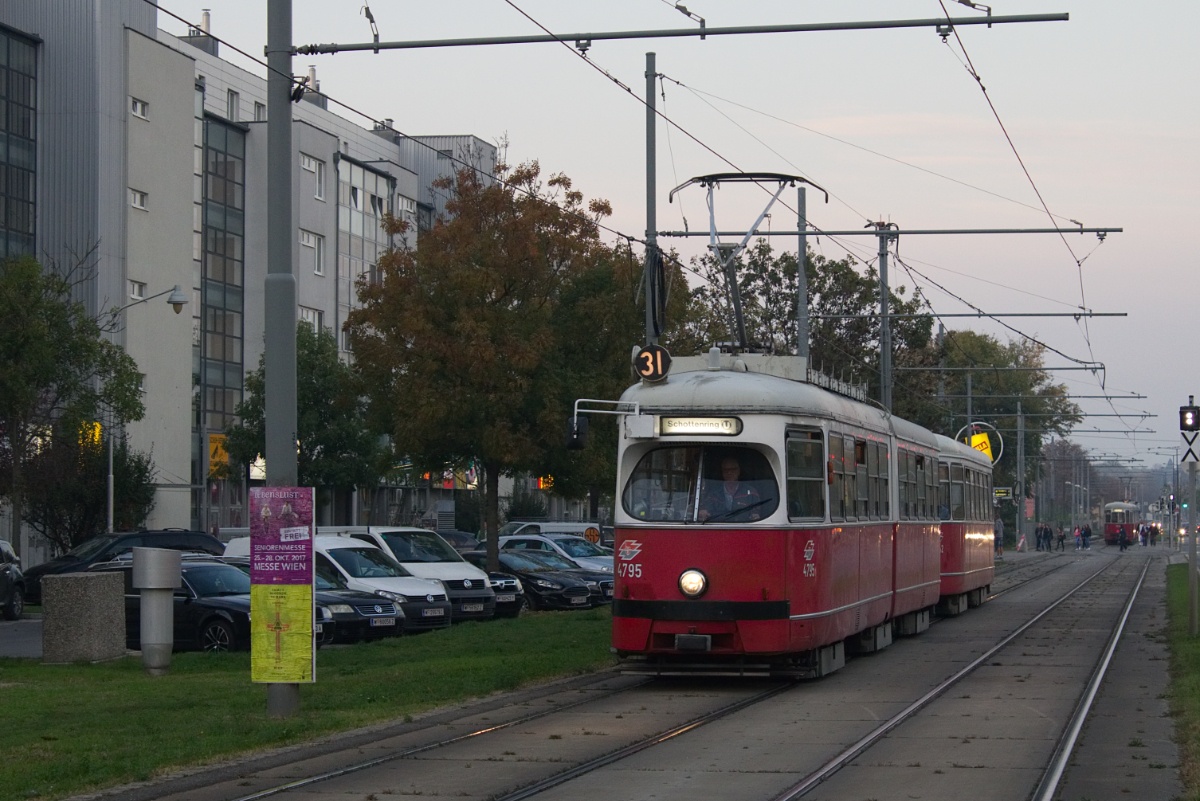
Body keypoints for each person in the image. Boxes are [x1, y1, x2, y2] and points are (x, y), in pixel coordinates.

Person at [699, 457, 761, 521]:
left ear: (738, 471)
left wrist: (756, 516)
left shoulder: (751, 492)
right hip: (719, 528)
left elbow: (756, 514)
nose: (729, 473)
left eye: (733, 470)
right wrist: (703, 512)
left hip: (742, 528)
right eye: (725, 470)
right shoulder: (714, 493)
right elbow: (705, 508)